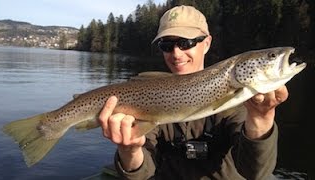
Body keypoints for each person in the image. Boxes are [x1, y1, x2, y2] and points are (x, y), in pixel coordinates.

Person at [99, 5, 287, 180]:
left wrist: (261, 119)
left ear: (206, 43)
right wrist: (129, 150)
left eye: (186, 43)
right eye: (166, 45)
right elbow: (141, 174)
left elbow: (255, 172)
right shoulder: (150, 95)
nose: (176, 54)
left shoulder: (242, 99)